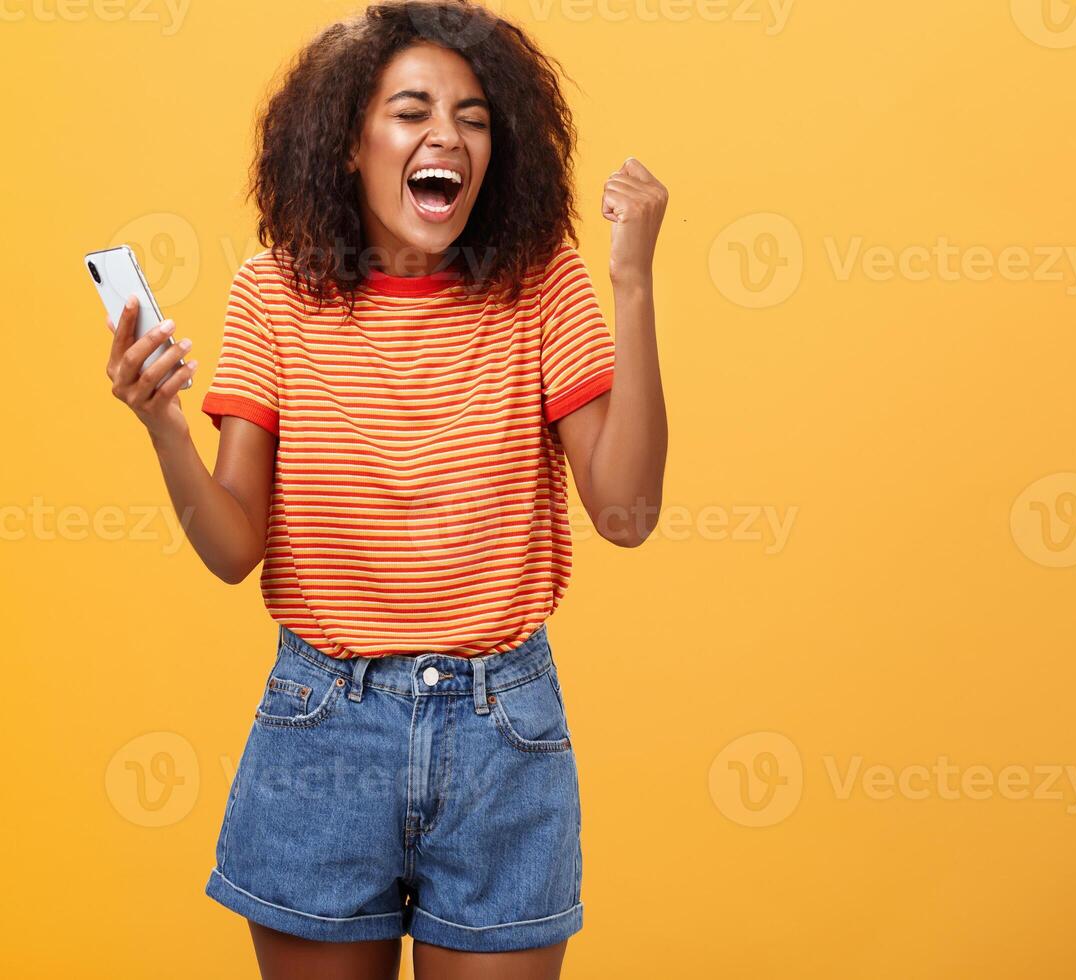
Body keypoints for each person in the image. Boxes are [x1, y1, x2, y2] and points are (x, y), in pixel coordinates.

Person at [99, 2, 668, 975]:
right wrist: (163, 428)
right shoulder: (272, 292)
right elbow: (235, 548)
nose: (446, 134)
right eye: (411, 111)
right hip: (322, 721)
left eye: (474, 116)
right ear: (348, 143)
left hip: (504, 734)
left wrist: (633, 283)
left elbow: (626, 514)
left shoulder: (543, 284)